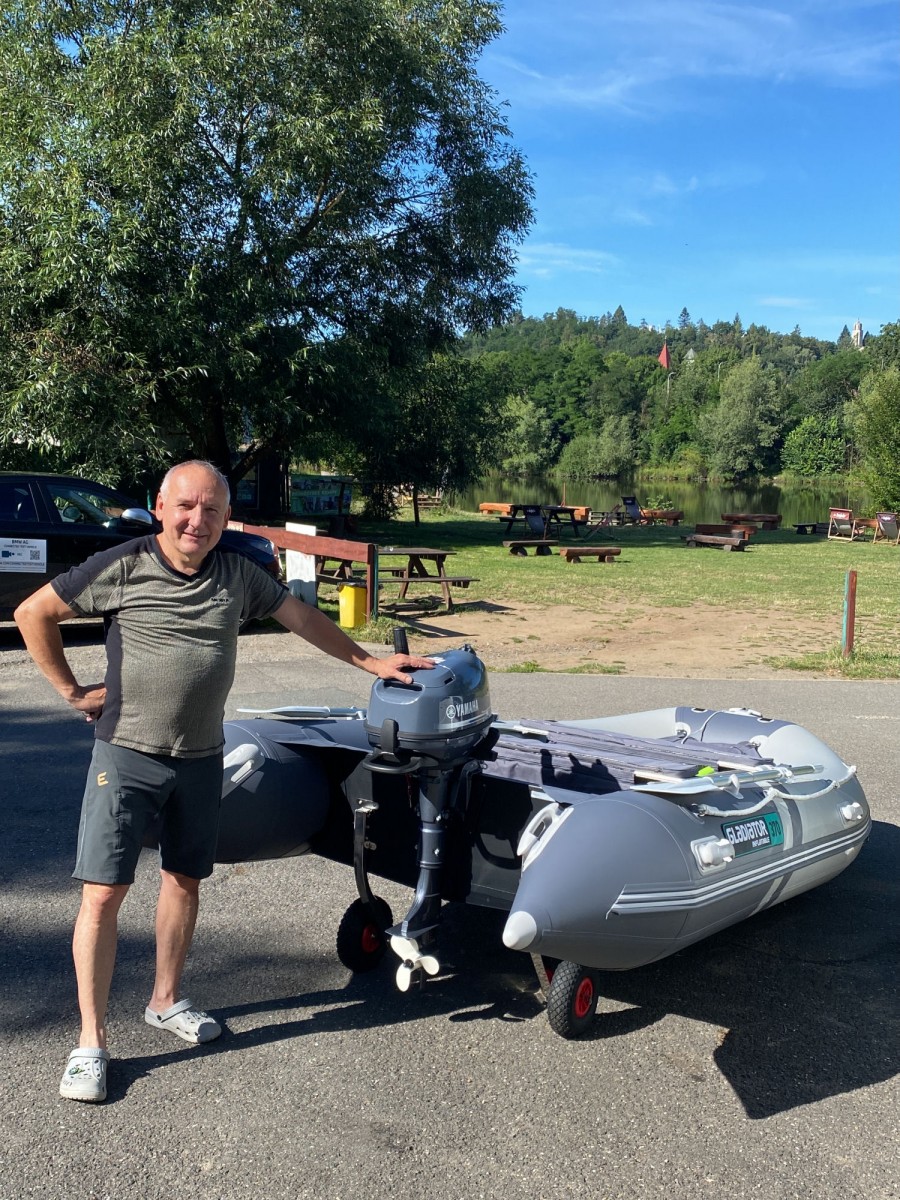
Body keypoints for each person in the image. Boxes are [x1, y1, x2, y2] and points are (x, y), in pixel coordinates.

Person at [14, 459, 432, 1104]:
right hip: (125, 756)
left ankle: (165, 1000)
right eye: (185, 506)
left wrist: (370, 661)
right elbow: (33, 612)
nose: (197, 520)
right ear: (160, 507)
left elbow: (302, 618)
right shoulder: (123, 564)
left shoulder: (237, 573)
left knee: (184, 880)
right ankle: (90, 1043)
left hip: (202, 757)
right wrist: (71, 691)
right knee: (102, 894)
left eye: (211, 510)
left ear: (225, 517)